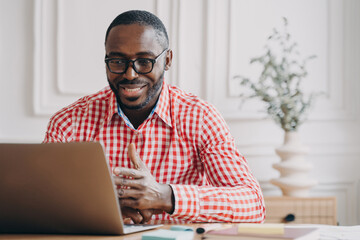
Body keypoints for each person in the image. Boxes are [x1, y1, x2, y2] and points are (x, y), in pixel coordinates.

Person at [43, 10, 265, 224]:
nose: (130, 74)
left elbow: (252, 204)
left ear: (167, 60)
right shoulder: (68, 123)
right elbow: (40, 199)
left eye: (145, 61)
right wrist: (99, 207)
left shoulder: (201, 117)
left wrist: (165, 196)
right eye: (118, 61)